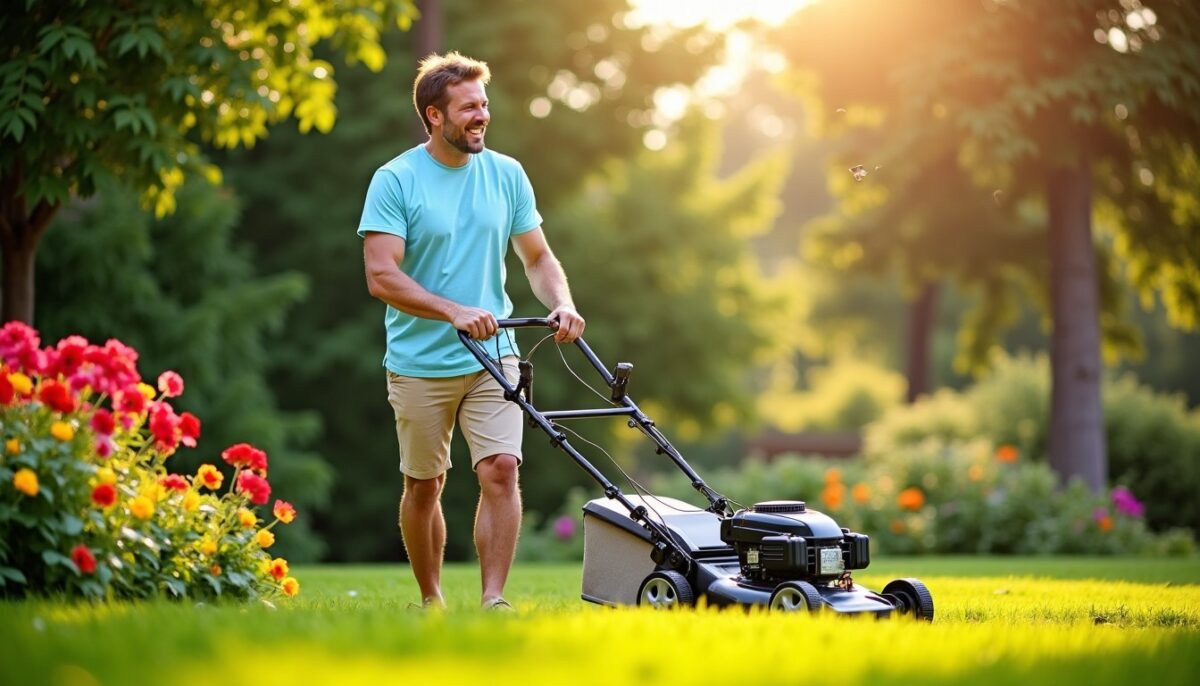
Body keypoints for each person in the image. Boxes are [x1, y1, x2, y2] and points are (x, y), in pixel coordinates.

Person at [358, 51, 585, 611]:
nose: (481, 115)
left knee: (502, 470)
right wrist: (452, 311)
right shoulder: (396, 180)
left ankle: (493, 600)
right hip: (419, 361)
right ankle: (431, 599)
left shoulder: (507, 175)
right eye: (467, 108)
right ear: (434, 115)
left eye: (484, 104)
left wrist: (562, 302)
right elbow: (381, 275)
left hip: (494, 352)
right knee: (424, 485)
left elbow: (537, 257)